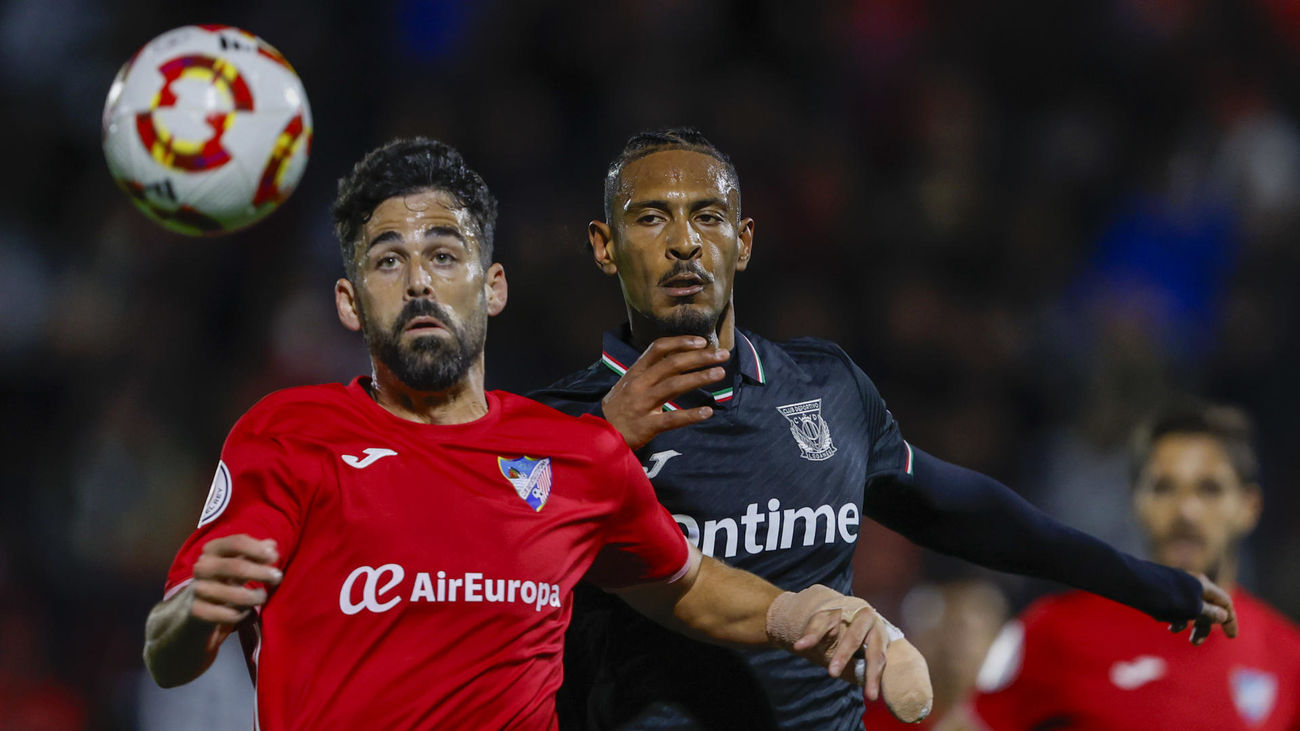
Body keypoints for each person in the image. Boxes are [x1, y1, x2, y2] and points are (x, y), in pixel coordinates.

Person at [141, 138, 928, 729]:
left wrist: (798, 614)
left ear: (493, 287)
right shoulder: (289, 433)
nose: (418, 280)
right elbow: (172, 649)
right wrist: (193, 616)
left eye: (444, 254)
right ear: (351, 301)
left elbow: (683, 584)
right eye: (388, 260)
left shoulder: (576, 451)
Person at [529, 128, 1237, 730]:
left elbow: (963, 510)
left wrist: (1140, 580)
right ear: (604, 245)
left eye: (709, 216)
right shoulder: (556, 425)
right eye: (652, 218)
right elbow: (491, 583)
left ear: (743, 241)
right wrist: (599, 444)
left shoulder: (825, 385)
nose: (685, 242)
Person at [964, 402, 1300, 729]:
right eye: (1163, 487)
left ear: (1249, 507)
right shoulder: (1052, 630)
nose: (1186, 511)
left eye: (1209, 489)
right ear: (1135, 500)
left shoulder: (1289, 657)